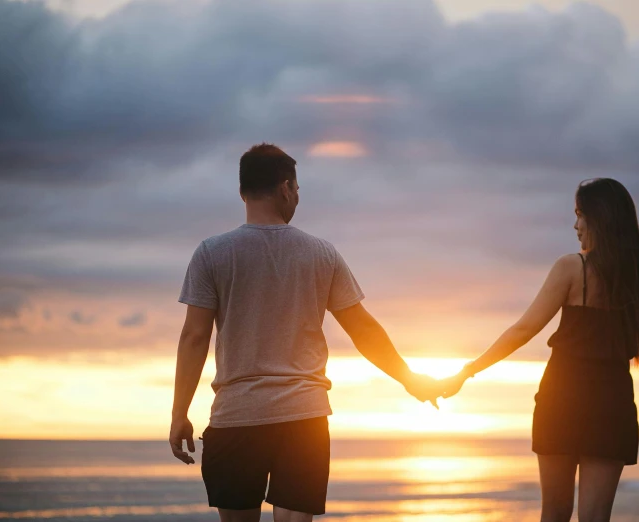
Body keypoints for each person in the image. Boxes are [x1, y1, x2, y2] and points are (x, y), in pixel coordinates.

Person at [168, 143, 440, 522]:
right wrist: (410, 380)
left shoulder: (212, 253)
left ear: (243, 190)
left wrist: (179, 413)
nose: (297, 198)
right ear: (285, 187)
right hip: (304, 418)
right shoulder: (321, 253)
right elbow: (364, 330)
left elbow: (194, 337)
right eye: (297, 190)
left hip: (237, 416)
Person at [440, 178, 639, 522]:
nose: (575, 226)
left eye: (580, 216)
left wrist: (468, 371)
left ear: (599, 218)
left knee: (555, 514)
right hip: (613, 406)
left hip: (562, 401)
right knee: (595, 518)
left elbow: (524, 329)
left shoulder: (573, 268)